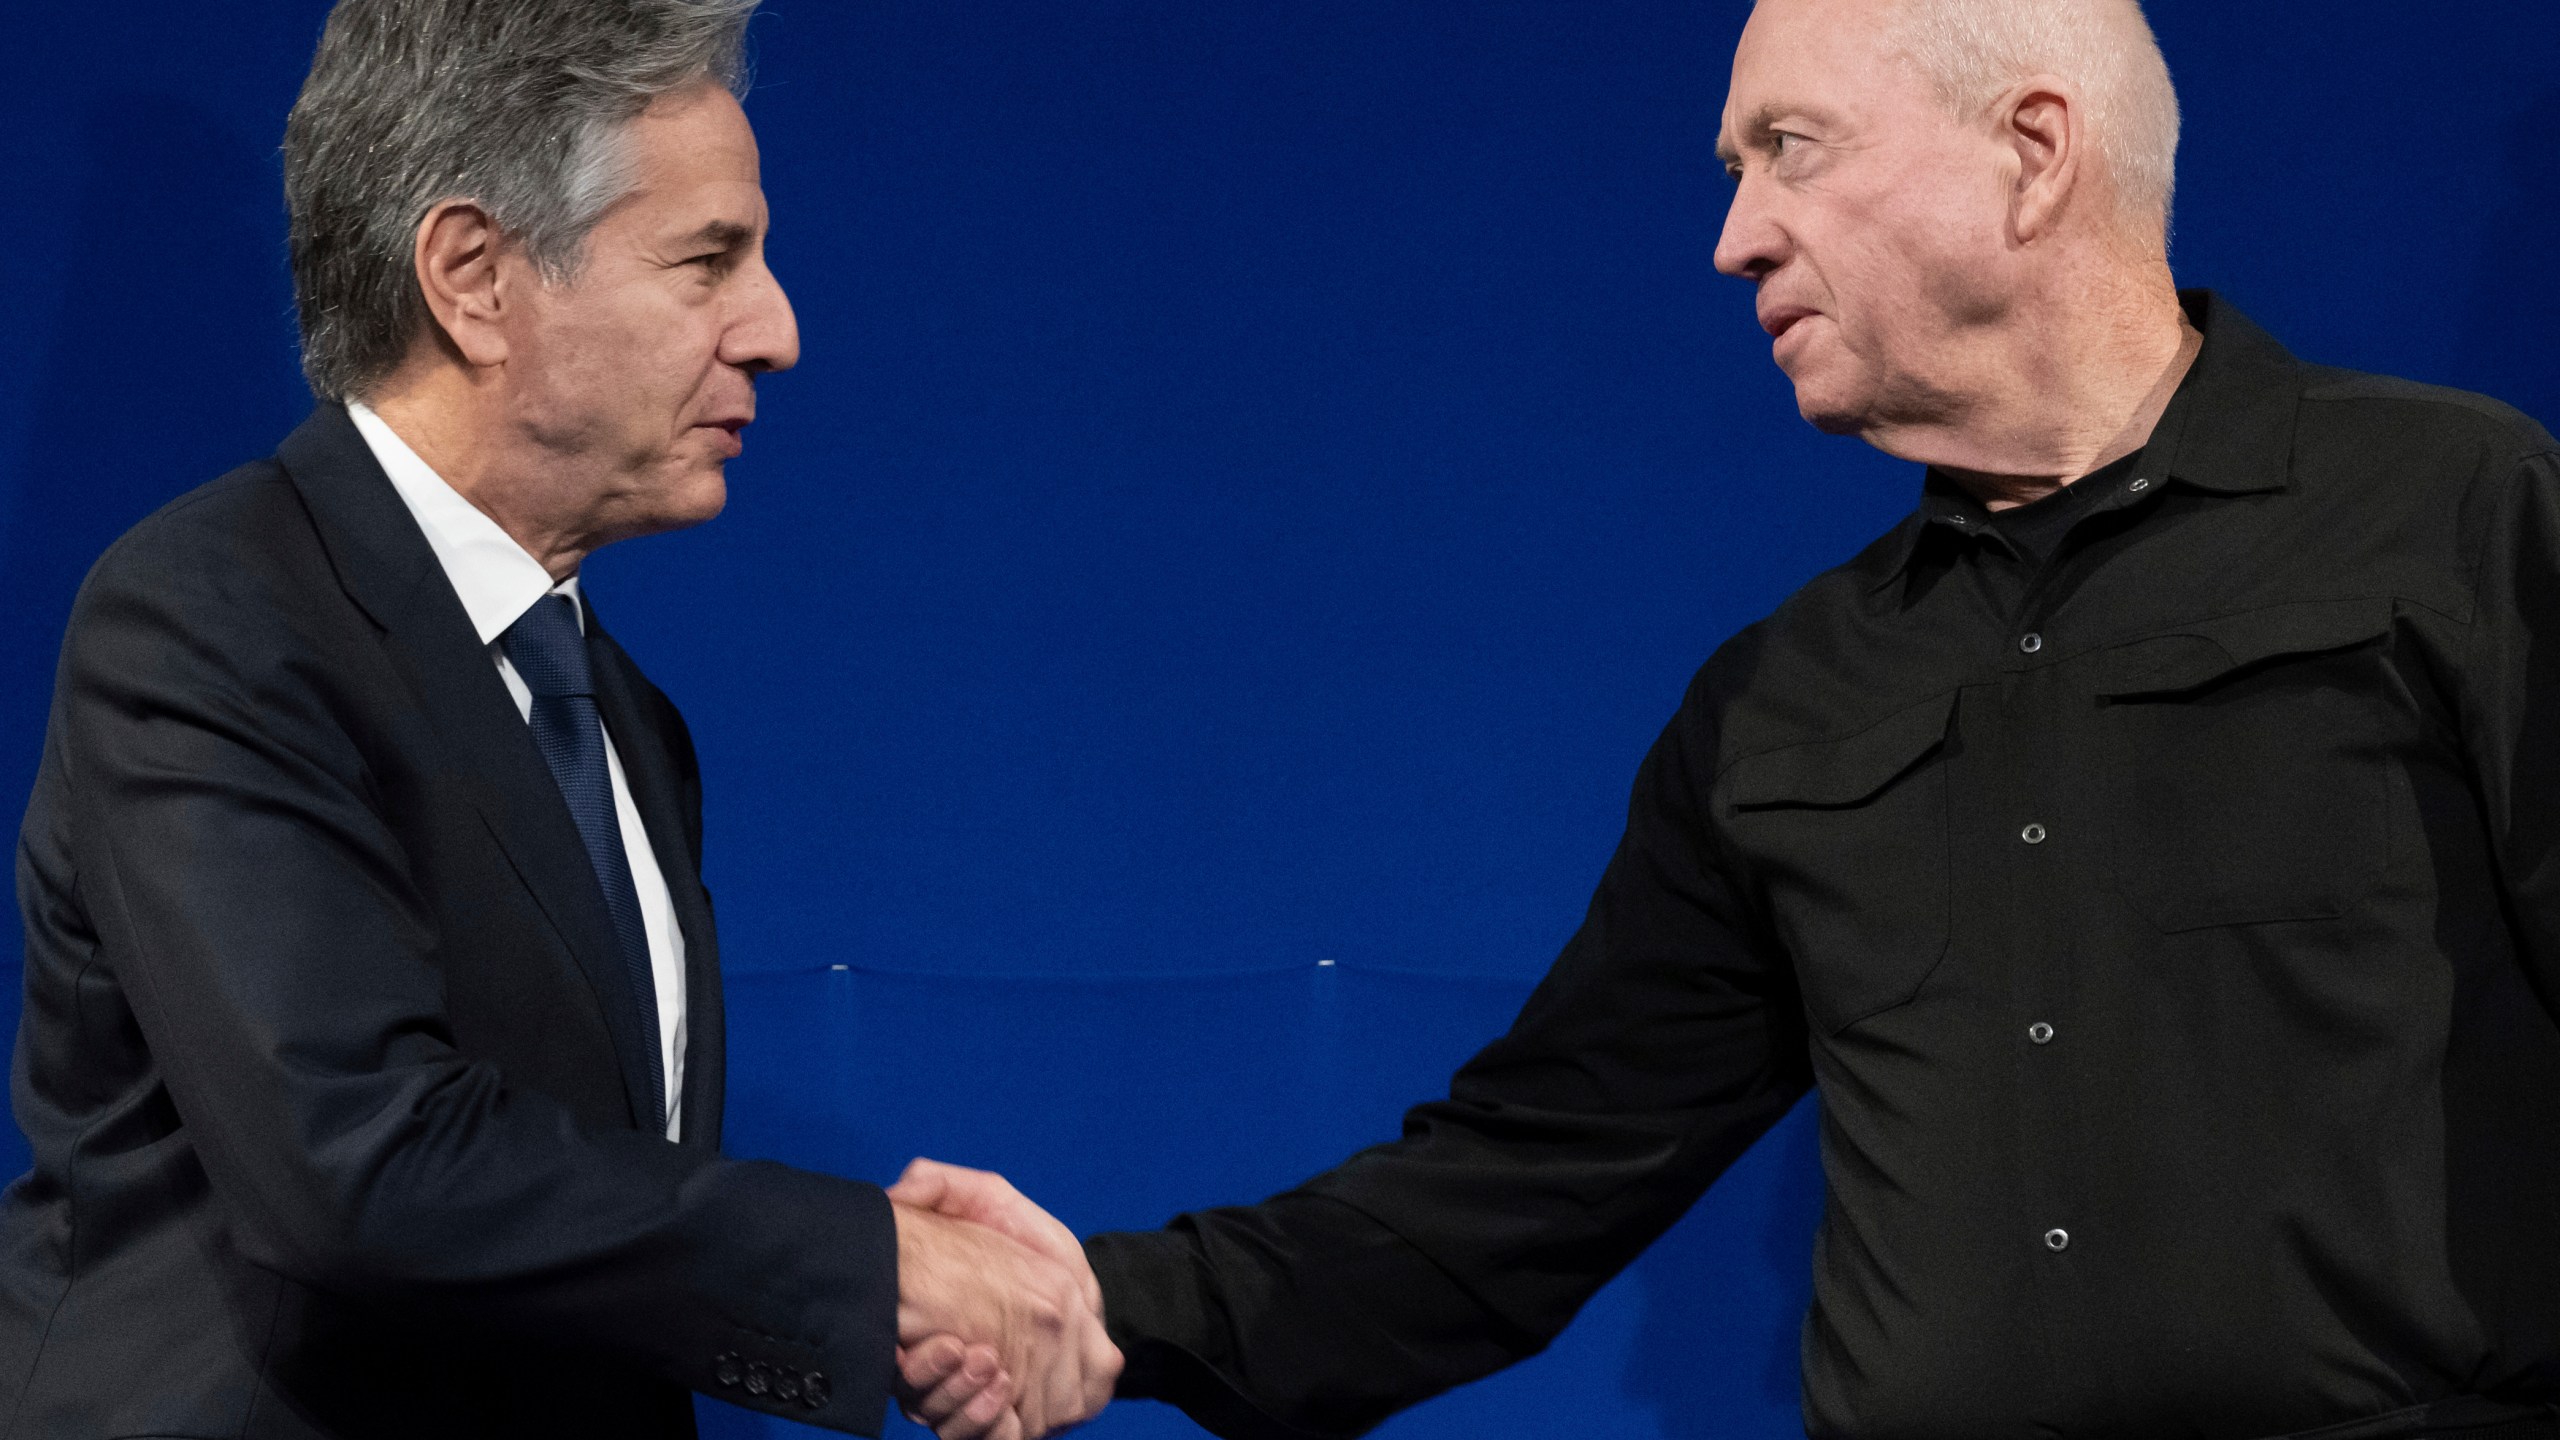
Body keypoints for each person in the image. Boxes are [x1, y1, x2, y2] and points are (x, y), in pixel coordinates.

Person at [894, 0, 2560, 1436]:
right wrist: (1111, 1303)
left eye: (1792, 149)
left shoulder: (2455, 514)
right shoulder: (1790, 697)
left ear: (2034, 152)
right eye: (1736, 172)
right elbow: (1532, 1174)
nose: (1736, 235)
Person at [0, 2, 1116, 1436]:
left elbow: (575, 1223)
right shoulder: (209, 615)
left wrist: (871, 1287)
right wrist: (876, 1266)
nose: (776, 330)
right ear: (474, 279)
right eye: (710, 259)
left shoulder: (621, 717)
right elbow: (359, 1162)